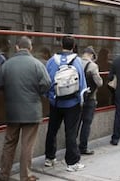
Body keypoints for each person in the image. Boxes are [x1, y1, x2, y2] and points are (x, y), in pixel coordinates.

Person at [0, 36, 51, 181]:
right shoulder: (37, 64)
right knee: (27, 145)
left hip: (12, 111)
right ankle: (25, 176)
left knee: (9, 143)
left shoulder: (7, 64)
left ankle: (4, 175)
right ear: (30, 48)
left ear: (17, 47)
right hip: (32, 111)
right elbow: (47, 84)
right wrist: (36, 92)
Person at [44, 35, 87, 172]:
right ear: (73, 46)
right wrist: (81, 100)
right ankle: (72, 162)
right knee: (71, 132)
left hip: (56, 102)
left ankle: (49, 158)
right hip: (72, 103)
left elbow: (47, 81)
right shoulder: (77, 61)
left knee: (52, 130)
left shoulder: (52, 61)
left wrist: (51, 98)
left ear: (61, 45)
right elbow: (82, 83)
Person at [78, 46, 103, 155]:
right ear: (92, 55)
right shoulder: (93, 66)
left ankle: (71, 146)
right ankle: (83, 147)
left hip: (77, 98)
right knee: (86, 123)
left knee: (75, 123)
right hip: (90, 98)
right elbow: (99, 83)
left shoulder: (75, 63)